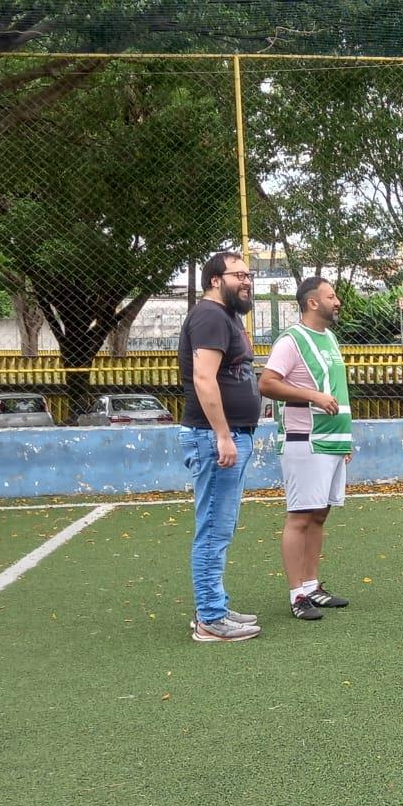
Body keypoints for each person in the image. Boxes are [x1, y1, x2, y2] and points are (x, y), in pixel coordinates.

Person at [178, 252, 262, 643]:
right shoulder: (210, 315)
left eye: (249, 274)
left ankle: (215, 606)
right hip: (215, 438)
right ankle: (210, 619)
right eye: (239, 274)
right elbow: (204, 379)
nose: (246, 281)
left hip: (229, 435)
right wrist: (223, 435)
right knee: (213, 530)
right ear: (216, 279)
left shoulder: (227, 317)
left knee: (219, 528)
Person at [258, 277, 354, 620]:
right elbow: (267, 383)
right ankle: (297, 593)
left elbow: (337, 392)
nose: (337, 301)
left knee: (320, 513)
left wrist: (346, 440)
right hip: (305, 441)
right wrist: (312, 397)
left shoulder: (328, 338)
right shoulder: (291, 340)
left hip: (332, 441)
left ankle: (312, 586)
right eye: (331, 296)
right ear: (313, 302)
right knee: (300, 515)